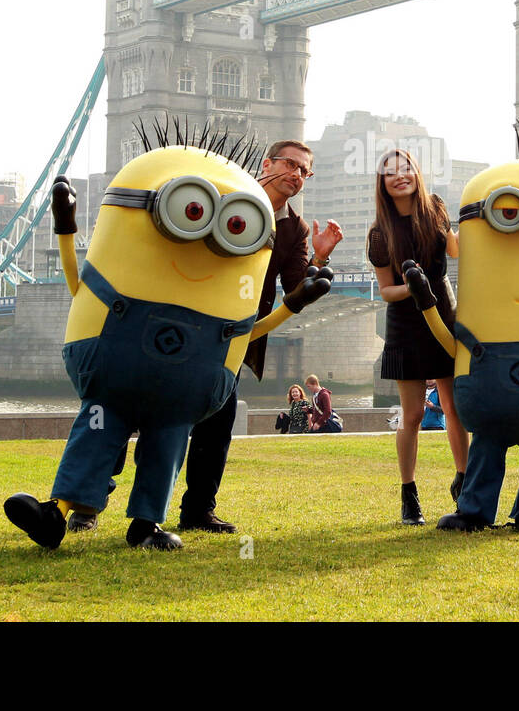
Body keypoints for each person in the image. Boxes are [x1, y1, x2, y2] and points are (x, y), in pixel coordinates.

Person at [175, 139, 343, 533]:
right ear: (267, 163)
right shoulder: (224, 193)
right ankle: (89, 502)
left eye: (305, 171)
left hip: (236, 335)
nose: (297, 175)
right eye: (292, 165)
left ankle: (198, 510)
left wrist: (320, 256)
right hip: (187, 320)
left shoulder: (296, 228)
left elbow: (296, 287)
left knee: (219, 419)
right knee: (143, 410)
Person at [367, 148, 469, 526]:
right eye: (390, 173)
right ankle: (409, 495)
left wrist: (466, 226)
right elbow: (386, 291)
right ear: (383, 184)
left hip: (443, 314)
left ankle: (465, 482)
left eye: (406, 168)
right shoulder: (380, 233)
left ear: (416, 173)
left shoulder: (437, 208)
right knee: (411, 415)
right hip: (406, 324)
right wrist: (414, 287)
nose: (400, 176)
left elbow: (456, 251)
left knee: (454, 408)